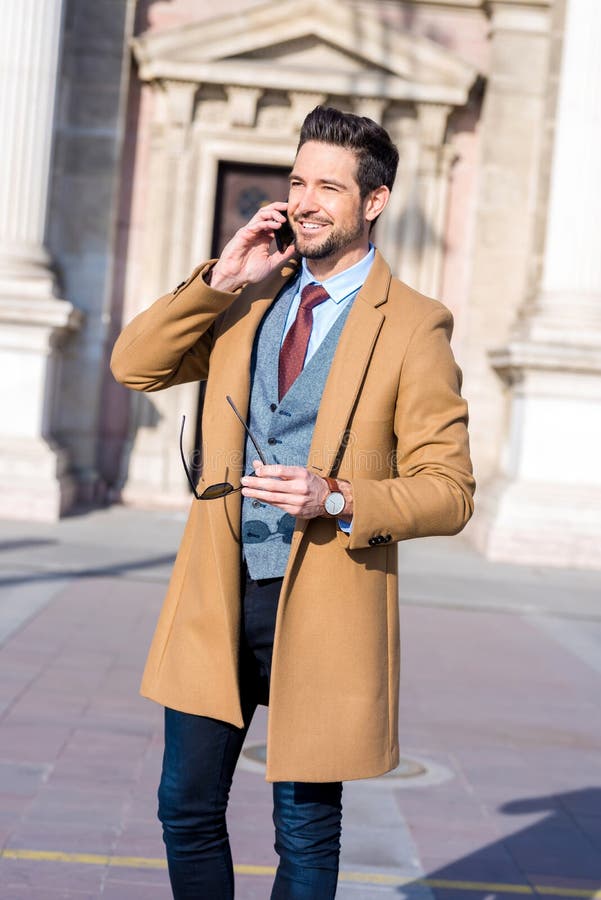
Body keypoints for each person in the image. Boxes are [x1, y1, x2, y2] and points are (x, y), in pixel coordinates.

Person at [110, 105, 475, 900]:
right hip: (218, 585)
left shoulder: (414, 327)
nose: (306, 200)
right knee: (185, 805)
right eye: (297, 181)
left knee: (304, 827)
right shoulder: (247, 296)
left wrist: (339, 495)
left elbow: (449, 490)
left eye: (328, 187)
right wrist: (219, 280)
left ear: (373, 201)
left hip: (326, 596)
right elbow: (134, 366)